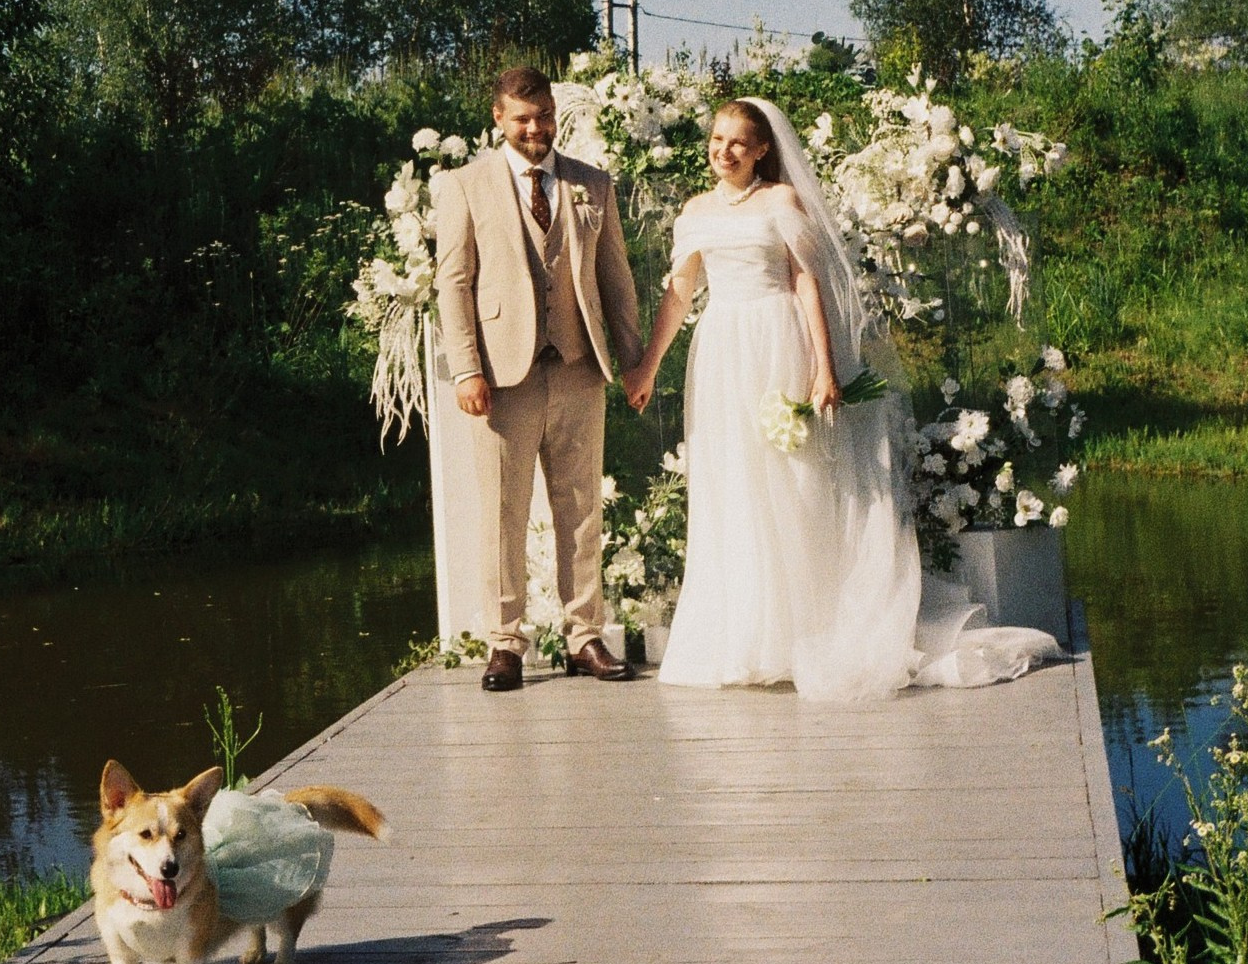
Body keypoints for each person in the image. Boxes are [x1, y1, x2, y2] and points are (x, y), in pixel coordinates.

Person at [620, 95, 1059, 701]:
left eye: (738, 143)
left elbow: (807, 281)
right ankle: (741, 638)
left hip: (777, 342)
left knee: (791, 482)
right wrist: (647, 365)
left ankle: (804, 630)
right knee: (732, 484)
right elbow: (678, 296)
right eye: (717, 140)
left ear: (763, 149)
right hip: (721, 350)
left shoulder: (782, 202)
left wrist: (824, 369)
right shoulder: (694, 212)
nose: (724, 152)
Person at [433, 63, 644, 693]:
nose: (537, 129)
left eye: (545, 116)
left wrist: (632, 362)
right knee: (502, 512)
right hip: (503, 378)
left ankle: (585, 637)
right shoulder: (465, 186)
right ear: (498, 118)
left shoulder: (591, 184)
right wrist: (467, 368)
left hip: (580, 371)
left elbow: (616, 281)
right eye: (523, 118)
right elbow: (454, 283)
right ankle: (505, 644)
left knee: (581, 510)